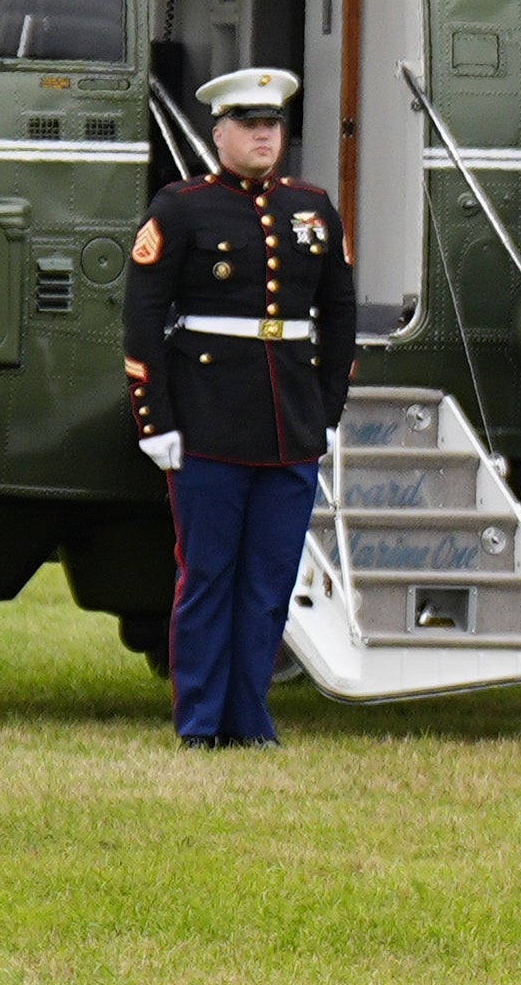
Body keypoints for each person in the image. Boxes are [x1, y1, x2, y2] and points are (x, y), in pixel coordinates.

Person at [120, 67, 357, 750]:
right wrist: (155, 419)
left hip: (291, 422)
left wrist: (330, 408)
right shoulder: (181, 206)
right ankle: (199, 721)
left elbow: (336, 312)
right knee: (207, 577)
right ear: (218, 133)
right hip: (208, 420)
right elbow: (142, 316)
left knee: (269, 582)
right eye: (249, 125)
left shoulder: (312, 206)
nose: (263, 135)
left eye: (273, 124)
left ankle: (249, 719)